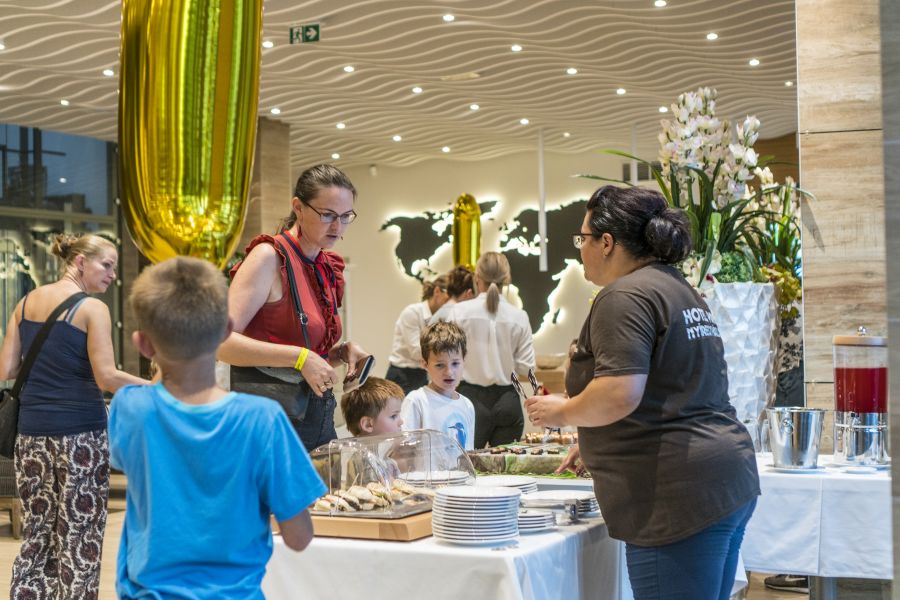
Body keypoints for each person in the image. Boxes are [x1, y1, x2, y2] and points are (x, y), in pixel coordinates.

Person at [525, 185, 760, 600]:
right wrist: (594, 437)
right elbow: (672, 386)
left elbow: (619, 392)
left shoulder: (624, 296)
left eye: (583, 238)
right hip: (723, 475)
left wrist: (562, 412)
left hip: (674, 492)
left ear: (607, 243)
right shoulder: (677, 287)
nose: (581, 250)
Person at [110, 256, 326, 598]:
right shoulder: (263, 420)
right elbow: (299, 538)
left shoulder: (130, 407)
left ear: (143, 344)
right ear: (227, 330)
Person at [0, 233, 147, 599]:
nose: (113, 274)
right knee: (80, 533)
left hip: (31, 435)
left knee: (38, 531)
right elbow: (107, 377)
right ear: (80, 262)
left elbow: (7, 368)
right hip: (80, 436)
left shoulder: (25, 303)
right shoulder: (92, 309)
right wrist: (155, 388)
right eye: (107, 265)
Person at [219, 164, 370, 450]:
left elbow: (300, 350)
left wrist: (338, 353)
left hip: (316, 416)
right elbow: (220, 343)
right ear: (298, 208)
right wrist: (301, 357)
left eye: (345, 216)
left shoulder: (325, 265)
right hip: (272, 424)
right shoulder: (269, 257)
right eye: (327, 215)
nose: (337, 227)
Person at [444, 251, 534, 448]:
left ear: (477, 278)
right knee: (505, 474)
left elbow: (446, 358)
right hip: (508, 401)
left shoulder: (459, 312)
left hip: (469, 400)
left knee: (466, 470)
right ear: (507, 279)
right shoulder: (519, 316)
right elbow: (525, 368)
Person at [401, 321, 475, 450]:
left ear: (464, 360)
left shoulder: (467, 404)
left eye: (455, 363)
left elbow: (468, 452)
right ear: (425, 364)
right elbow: (404, 450)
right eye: (440, 365)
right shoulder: (417, 401)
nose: (449, 372)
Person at [385, 275, 449, 394]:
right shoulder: (412, 312)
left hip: (422, 375)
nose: (450, 302)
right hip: (401, 375)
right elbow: (416, 352)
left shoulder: (443, 317)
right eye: (448, 297)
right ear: (437, 291)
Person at [341, 377, 405, 437]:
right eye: (393, 416)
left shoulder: (384, 447)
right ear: (368, 424)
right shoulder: (356, 449)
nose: (401, 422)